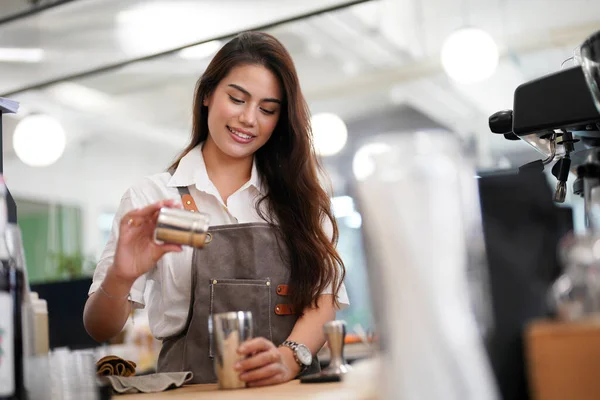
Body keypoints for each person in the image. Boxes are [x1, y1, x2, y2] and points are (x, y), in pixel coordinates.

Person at [83, 31, 349, 387]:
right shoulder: (152, 198)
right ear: (207, 94)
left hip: (286, 393)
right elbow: (99, 327)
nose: (249, 119)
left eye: (267, 109)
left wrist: (288, 357)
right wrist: (121, 275)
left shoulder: (300, 200)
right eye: (237, 99)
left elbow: (324, 298)